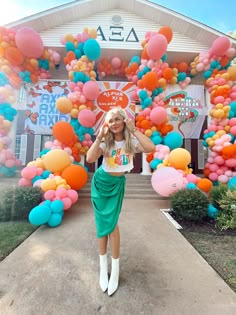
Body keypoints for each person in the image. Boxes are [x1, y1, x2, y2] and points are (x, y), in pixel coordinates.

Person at [86, 107, 155, 296]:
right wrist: (99, 136)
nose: (115, 123)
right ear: (107, 124)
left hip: (117, 185)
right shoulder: (105, 142)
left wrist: (134, 130)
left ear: (124, 121)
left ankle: (115, 268)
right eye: (111, 120)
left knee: (112, 224)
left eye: (118, 119)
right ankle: (103, 267)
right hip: (101, 184)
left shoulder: (131, 141)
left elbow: (150, 148)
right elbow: (90, 158)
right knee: (104, 224)